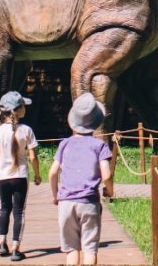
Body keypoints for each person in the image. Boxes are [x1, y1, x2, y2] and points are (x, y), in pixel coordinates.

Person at [49, 93, 114, 265]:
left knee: (71, 249)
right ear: (96, 123)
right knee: (90, 248)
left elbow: (52, 173)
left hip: (66, 203)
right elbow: (106, 175)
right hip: (89, 202)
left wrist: (55, 195)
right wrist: (110, 190)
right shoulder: (99, 145)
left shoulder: (65, 144)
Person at [0, 91, 41, 262]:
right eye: (23, 106)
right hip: (20, 177)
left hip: (2, 177)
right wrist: (37, 175)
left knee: (4, 208)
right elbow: (32, 156)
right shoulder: (26, 130)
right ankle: (15, 248)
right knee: (19, 211)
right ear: (17, 110)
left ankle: (1, 242)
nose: (24, 108)